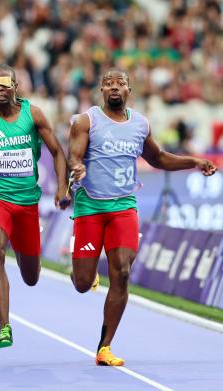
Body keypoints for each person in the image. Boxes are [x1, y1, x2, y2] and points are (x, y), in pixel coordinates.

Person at [67, 69, 217, 366]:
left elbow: (158, 158)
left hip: (124, 205)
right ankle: (83, 272)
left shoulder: (140, 124)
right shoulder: (87, 121)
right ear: (101, 90)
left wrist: (194, 161)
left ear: (128, 91)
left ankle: (104, 348)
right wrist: (77, 166)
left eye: (119, 83)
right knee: (82, 283)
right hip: (90, 205)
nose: (114, 87)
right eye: (108, 84)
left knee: (121, 271)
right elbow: (73, 155)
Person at [0, 64, 70, 348]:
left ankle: (26, 249)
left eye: (4, 84)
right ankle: (4, 327)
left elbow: (58, 152)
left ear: (15, 86)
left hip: (26, 204)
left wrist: (62, 187)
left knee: (31, 277)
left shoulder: (33, 115)